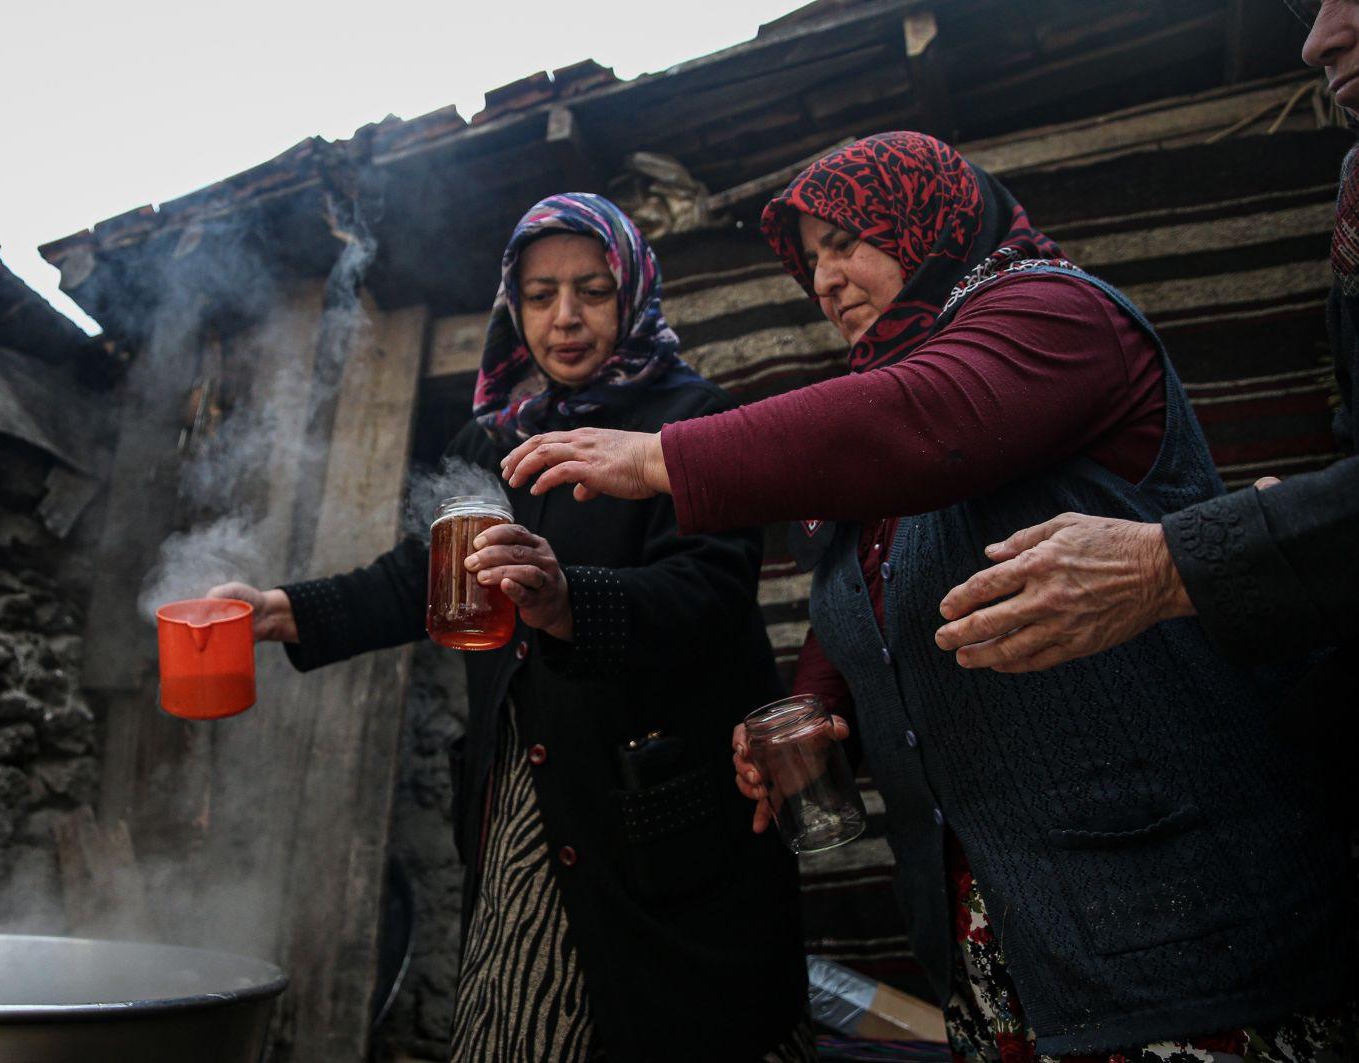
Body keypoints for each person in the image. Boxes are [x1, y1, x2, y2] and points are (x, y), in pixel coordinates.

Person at [502, 133, 1359, 1059]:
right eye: (811, 256)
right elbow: (875, 584)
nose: (824, 277)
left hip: (1175, 903)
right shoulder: (878, 402)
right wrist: (821, 709)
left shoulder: (1052, 313)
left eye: (846, 240)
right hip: (995, 924)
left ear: (928, 220)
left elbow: (926, 421)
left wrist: (657, 452)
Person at [209, 193, 810, 1062]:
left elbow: (709, 593)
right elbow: (423, 573)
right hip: (527, 795)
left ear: (634, 291)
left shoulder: (690, 419)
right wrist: (289, 609)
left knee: (695, 1016)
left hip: (660, 795)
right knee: (521, 1024)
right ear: (513, 305)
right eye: (540, 294)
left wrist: (569, 601)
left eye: (593, 290)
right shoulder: (494, 435)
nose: (564, 317)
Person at [931, 0, 1358, 703]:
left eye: (850, 244)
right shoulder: (1357, 198)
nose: (1316, 42)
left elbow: (905, 419)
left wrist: (1173, 563)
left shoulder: (1053, 307)